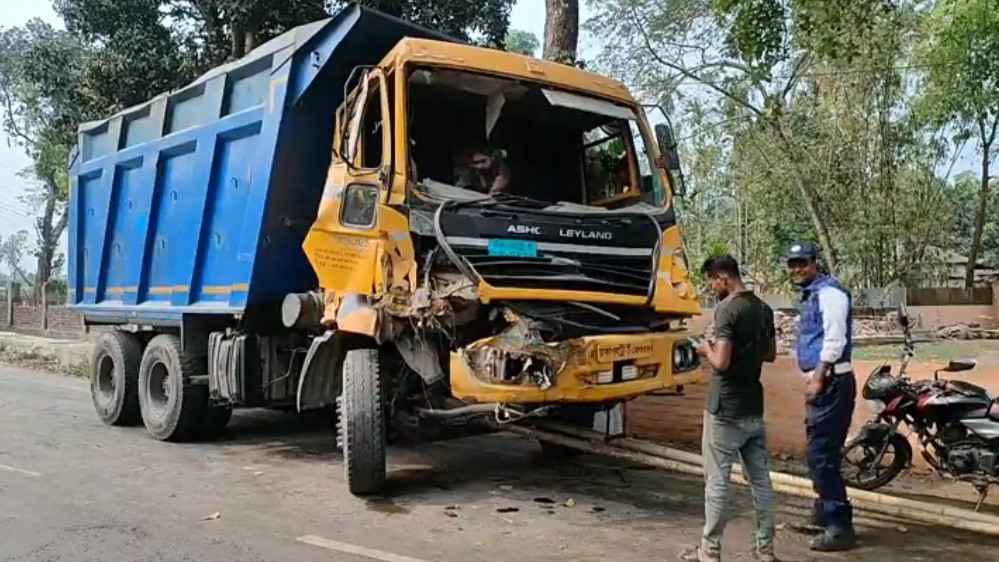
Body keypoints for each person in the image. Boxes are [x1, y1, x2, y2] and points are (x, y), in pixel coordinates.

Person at [682, 255, 778, 562]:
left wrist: (703, 347)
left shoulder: (727, 310)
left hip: (724, 411)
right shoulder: (764, 310)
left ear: (723, 277)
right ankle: (765, 550)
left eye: (712, 281)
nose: (712, 288)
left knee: (717, 483)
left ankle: (709, 552)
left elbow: (720, 362)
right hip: (753, 407)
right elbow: (771, 354)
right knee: (761, 482)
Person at [785, 242, 857, 552]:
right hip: (826, 381)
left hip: (831, 381)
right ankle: (824, 513)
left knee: (822, 455)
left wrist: (817, 376)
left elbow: (835, 338)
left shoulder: (830, 293)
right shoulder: (813, 293)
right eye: (792, 264)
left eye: (802, 263)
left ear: (815, 262)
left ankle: (840, 526)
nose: (797, 269)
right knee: (819, 450)